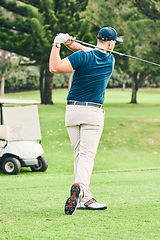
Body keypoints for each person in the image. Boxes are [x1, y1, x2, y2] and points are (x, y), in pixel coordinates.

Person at [49, 27, 123, 215]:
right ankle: (80, 189)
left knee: (79, 154)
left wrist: (58, 44)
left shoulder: (83, 57)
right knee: (86, 156)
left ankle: (85, 198)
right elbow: (80, 55)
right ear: (110, 43)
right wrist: (67, 43)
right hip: (92, 113)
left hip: (72, 111)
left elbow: (55, 67)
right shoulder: (109, 60)